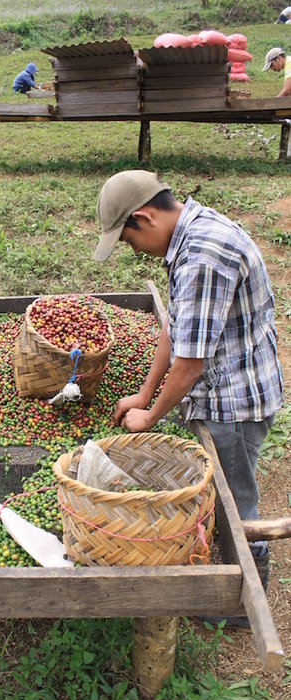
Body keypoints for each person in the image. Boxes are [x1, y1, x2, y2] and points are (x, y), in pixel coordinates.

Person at [94, 170, 284, 625]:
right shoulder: (190, 231)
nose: (133, 250)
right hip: (222, 386)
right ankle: (224, 566)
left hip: (233, 403)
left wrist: (151, 417)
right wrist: (141, 396)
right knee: (218, 491)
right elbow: (176, 330)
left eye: (127, 240)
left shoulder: (202, 254)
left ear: (145, 217)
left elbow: (190, 365)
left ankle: (243, 597)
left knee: (235, 498)